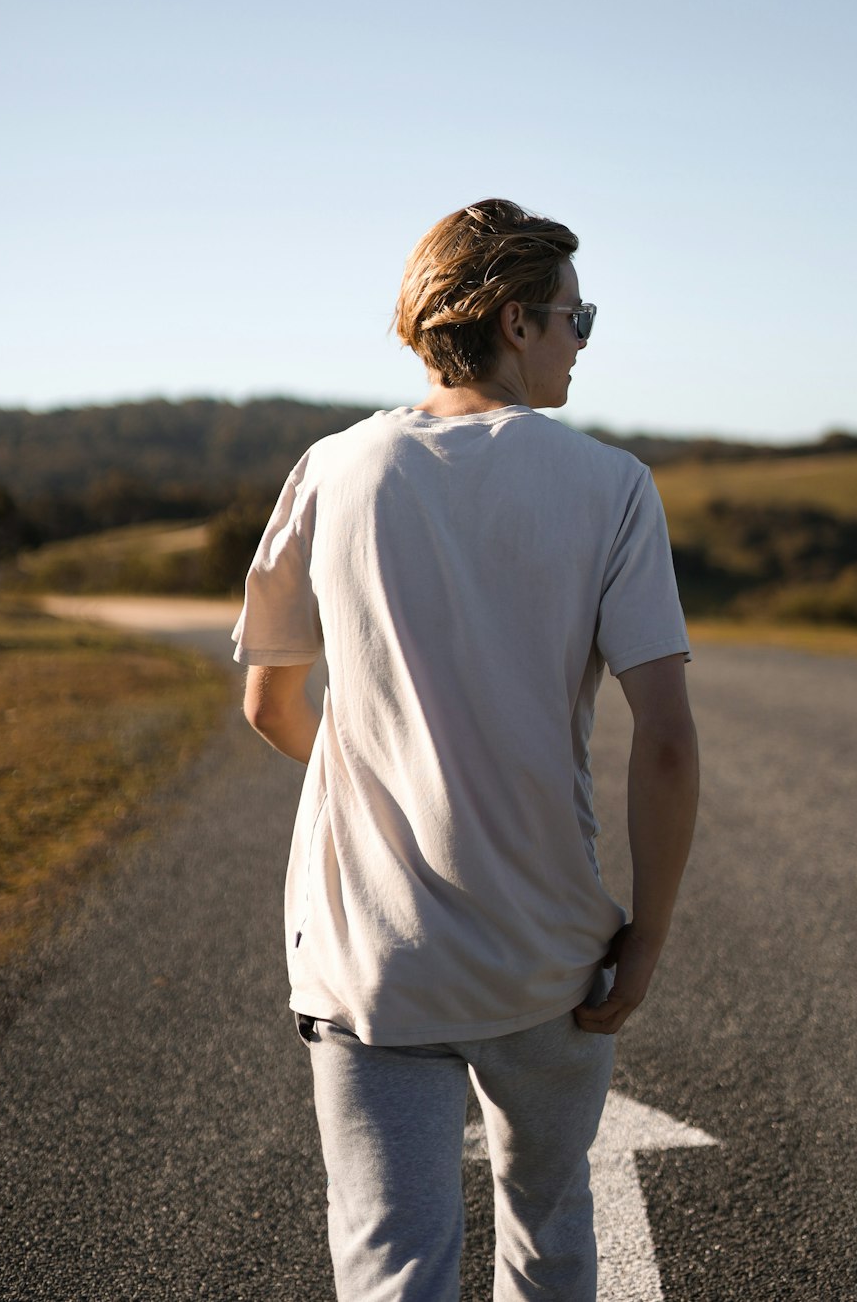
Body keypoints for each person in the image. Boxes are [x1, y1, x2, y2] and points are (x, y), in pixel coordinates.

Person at [231, 197, 699, 1301]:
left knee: (395, 1266)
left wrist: (387, 781)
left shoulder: (331, 469)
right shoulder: (611, 487)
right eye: (575, 321)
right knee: (548, 1233)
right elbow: (667, 744)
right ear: (513, 321)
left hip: (370, 961)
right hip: (546, 955)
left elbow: (268, 703)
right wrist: (646, 941)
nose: (582, 344)